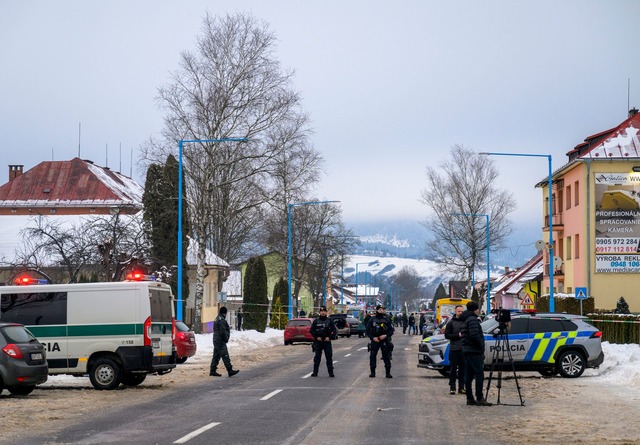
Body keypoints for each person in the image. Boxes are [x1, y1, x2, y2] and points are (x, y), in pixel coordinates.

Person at [460, 301, 491, 406]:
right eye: (477, 309)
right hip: (474, 350)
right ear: (475, 310)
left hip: (467, 350)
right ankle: (479, 397)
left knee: (468, 375)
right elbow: (474, 335)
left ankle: (470, 398)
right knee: (479, 374)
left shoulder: (465, 319)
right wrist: (481, 344)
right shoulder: (473, 320)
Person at [209, 306, 240, 377]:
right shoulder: (222, 320)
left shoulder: (217, 318)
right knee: (225, 355)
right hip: (220, 340)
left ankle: (212, 370)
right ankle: (230, 370)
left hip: (216, 339)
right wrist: (226, 339)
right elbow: (223, 331)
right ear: (225, 313)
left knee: (216, 355)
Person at [366, 304, 394, 378]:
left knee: (386, 356)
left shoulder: (386, 319)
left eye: (382, 309)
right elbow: (367, 331)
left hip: (384, 340)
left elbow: (391, 330)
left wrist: (385, 336)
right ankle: (372, 372)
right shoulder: (372, 319)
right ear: (377, 310)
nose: (381, 311)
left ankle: (388, 373)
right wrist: (372, 338)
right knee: (372, 356)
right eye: (380, 309)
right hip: (375, 340)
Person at [309, 306, 337, 377]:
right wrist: (316, 337)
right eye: (321, 311)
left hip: (326, 341)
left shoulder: (329, 321)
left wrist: (330, 337)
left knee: (329, 357)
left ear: (326, 312)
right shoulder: (316, 321)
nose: (323, 312)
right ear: (319, 312)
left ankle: (331, 373)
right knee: (317, 358)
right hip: (319, 341)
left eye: (324, 311)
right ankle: (315, 372)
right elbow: (312, 331)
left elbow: (334, 330)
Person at [444, 305, 466, 395]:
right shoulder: (451, 323)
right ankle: (452, 388)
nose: (460, 313)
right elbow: (447, 335)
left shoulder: (465, 322)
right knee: (453, 370)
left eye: (461, 311)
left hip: (463, 349)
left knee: (463, 370)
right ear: (455, 312)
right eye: (459, 311)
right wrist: (457, 335)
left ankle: (461, 388)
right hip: (454, 349)